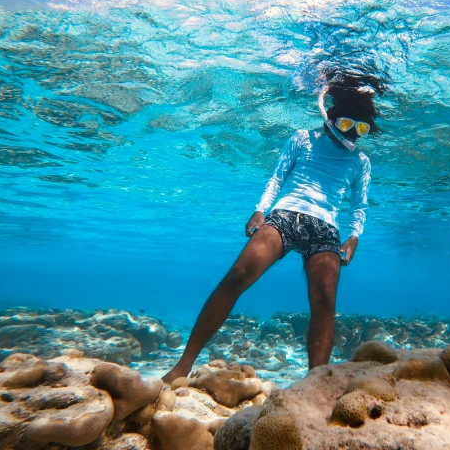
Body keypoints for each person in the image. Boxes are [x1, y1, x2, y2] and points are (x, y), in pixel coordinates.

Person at [162, 78, 379, 383]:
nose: (352, 133)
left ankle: (315, 384)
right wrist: (260, 209)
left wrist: (354, 236)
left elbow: (360, 206)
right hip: (285, 216)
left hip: (326, 228)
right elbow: (277, 178)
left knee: (325, 300)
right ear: (330, 117)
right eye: (345, 123)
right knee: (236, 276)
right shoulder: (302, 138)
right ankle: (182, 366)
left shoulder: (361, 161)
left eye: (361, 129)